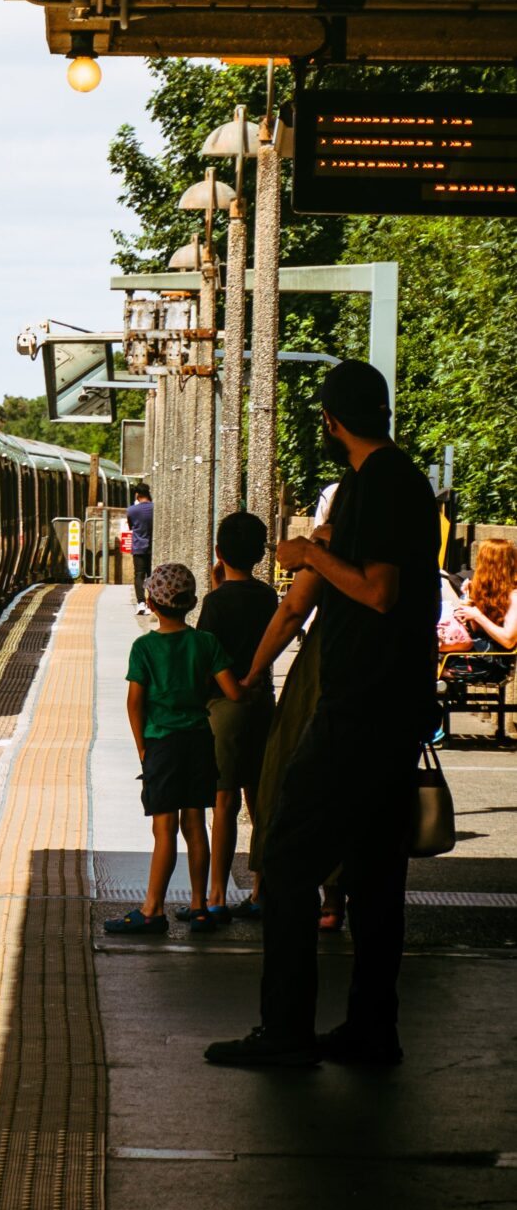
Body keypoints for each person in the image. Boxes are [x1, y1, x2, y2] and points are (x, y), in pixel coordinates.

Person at [205, 359, 440, 1070]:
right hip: (396, 705)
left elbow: (377, 591)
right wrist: (326, 548)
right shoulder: (406, 483)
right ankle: (371, 1029)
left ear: (332, 423)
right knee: (373, 876)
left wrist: (309, 548)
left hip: (358, 707)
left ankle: (286, 1030)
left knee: (285, 857)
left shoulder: (375, 484)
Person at [104, 561, 241, 937]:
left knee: (164, 829)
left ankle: (153, 910)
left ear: (150, 602)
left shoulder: (144, 647)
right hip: (199, 741)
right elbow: (232, 691)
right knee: (195, 824)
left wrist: (142, 748)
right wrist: (251, 688)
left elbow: (135, 703)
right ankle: (199, 907)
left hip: (162, 744)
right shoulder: (206, 643)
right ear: (192, 603)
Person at [195, 510, 279, 918]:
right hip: (261, 702)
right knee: (261, 801)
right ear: (260, 555)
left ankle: (216, 897)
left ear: (218, 552)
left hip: (224, 709)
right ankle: (261, 890)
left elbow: (208, 652)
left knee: (224, 802)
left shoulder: (215, 602)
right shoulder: (268, 597)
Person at [460, 535, 517, 649]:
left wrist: (477, 615)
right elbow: (476, 629)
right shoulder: (483, 589)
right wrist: (468, 599)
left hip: (495, 655)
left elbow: (508, 641)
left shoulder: (514, 595)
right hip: (478, 647)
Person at [127, 481, 153, 609]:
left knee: (139, 575)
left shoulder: (131, 510)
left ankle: (141, 602)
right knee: (152, 575)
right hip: (152, 547)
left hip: (138, 547)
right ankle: (152, 601)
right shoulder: (154, 508)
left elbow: (130, 526)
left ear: (137, 495)